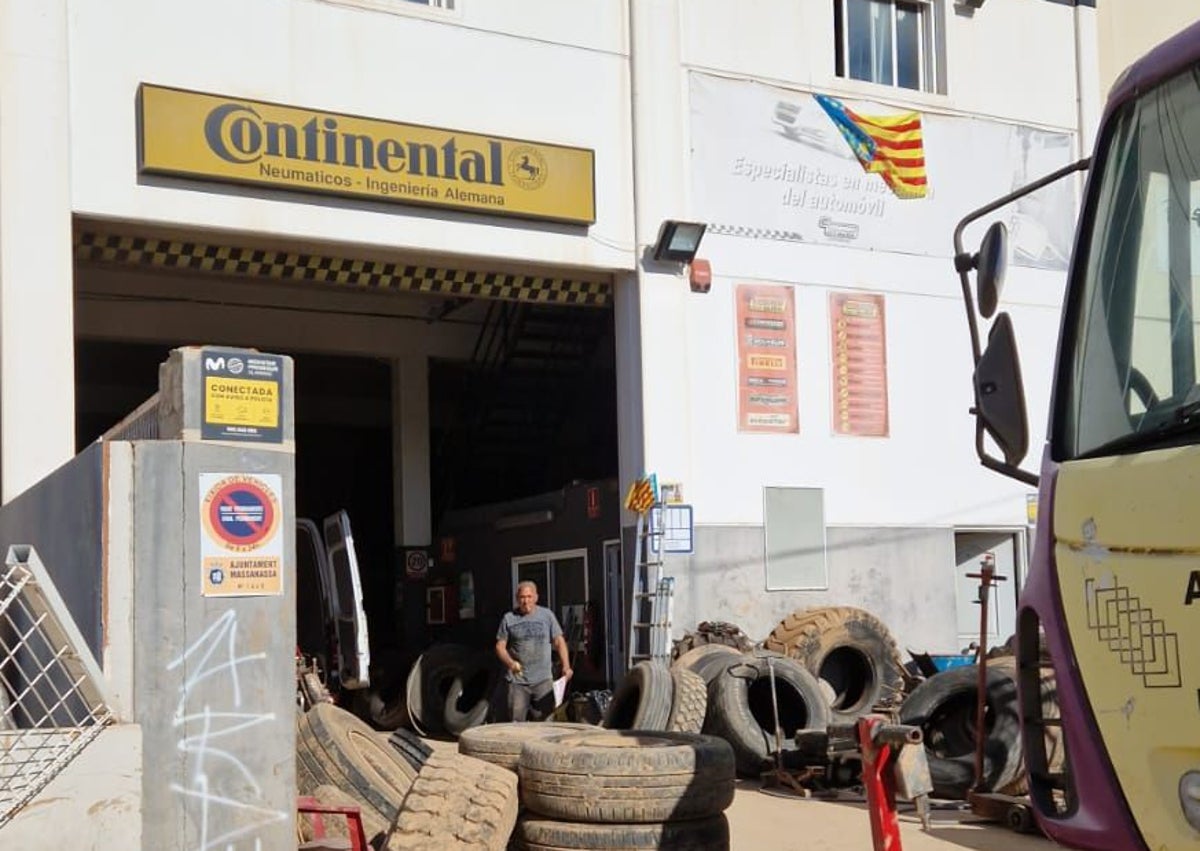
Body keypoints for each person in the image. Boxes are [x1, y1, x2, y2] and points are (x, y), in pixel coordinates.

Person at [495, 580, 573, 722]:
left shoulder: (546, 615)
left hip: (543, 680)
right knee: (516, 722)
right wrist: (511, 663)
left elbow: (559, 641)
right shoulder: (509, 618)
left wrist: (566, 666)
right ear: (517, 599)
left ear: (536, 597)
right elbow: (500, 647)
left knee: (546, 722)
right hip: (517, 681)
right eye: (522, 597)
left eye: (529, 597)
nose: (526, 601)